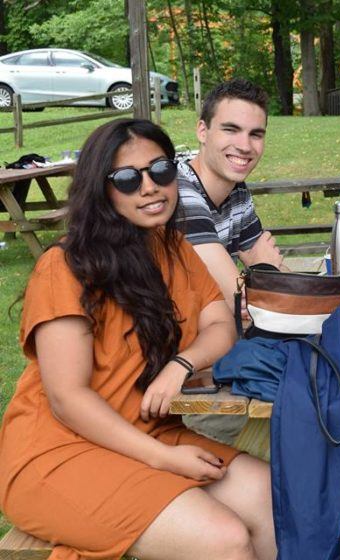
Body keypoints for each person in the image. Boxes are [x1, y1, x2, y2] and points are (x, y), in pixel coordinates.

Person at [0, 119, 276, 560]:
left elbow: (221, 325)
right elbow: (67, 400)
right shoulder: (66, 267)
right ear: (102, 190)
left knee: (271, 497)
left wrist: (179, 365)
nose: (149, 187)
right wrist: (162, 460)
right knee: (222, 537)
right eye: (128, 178)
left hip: (153, 432)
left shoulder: (173, 247)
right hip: (59, 451)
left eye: (161, 170)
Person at [176, 78, 284, 315]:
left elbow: (282, 289)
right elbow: (242, 301)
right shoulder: (178, 191)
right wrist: (263, 267)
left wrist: (264, 275)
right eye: (231, 130)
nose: (245, 146)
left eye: (255, 134)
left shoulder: (237, 191)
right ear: (202, 131)